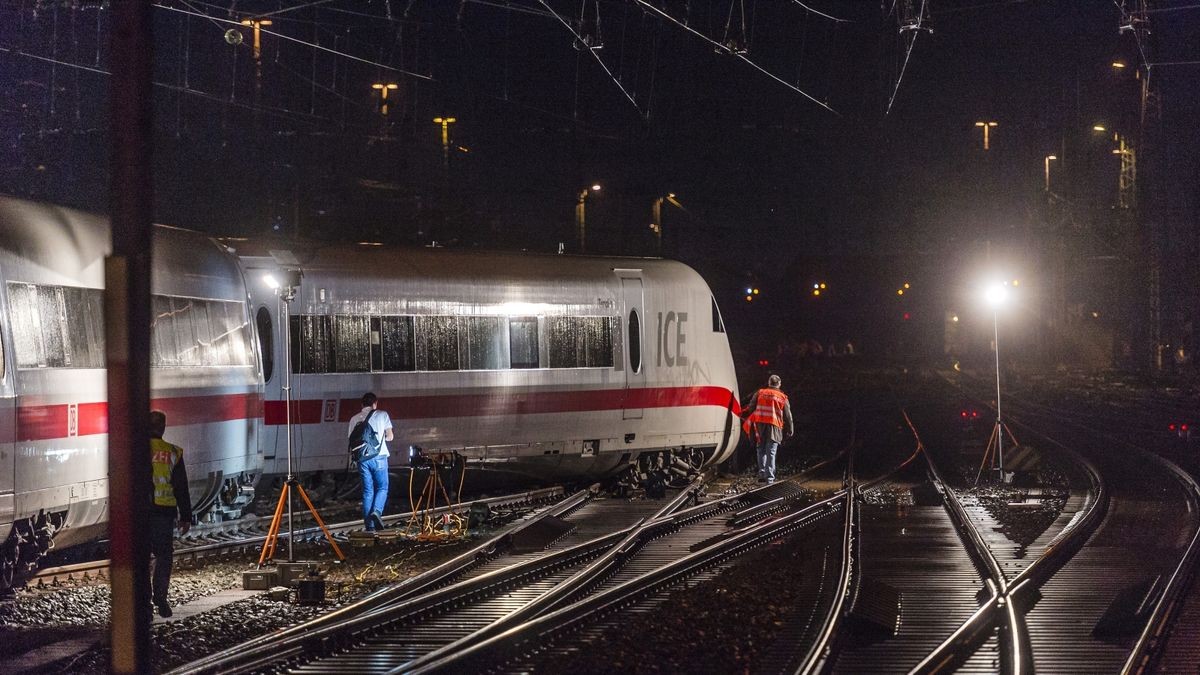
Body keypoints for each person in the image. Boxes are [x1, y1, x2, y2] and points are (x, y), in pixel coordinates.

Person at [149, 410, 193, 618]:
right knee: (163, 556)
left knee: (139, 558)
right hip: (163, 514)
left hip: (140, 515)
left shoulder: (134, 452)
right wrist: (186, 516)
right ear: (163, 428)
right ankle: (160, 597)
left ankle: (143, 604)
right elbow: (181, 487)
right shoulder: (173, 453)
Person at [348, 392, 394, 532]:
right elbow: (390, 436)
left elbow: (351, 440)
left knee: (368, 492)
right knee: (382, 487)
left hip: (363, 460)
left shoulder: (354, 419)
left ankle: (369, 527)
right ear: (375, 403)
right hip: (379, 457)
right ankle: (377, 511)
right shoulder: (382, 415)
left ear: (362, 405)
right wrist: (381, 438)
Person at [741, 374, 794, 484]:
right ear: (779, 384)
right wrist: (790, 429)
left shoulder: (760, 393)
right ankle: (769, 478)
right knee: (771, 451)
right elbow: (788, 416)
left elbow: (751, 407)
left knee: (761, 449)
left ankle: (762, 474)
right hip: (774, 426)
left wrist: (755, 416)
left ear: (769, 383)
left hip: (760, 425)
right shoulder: (782, 397)